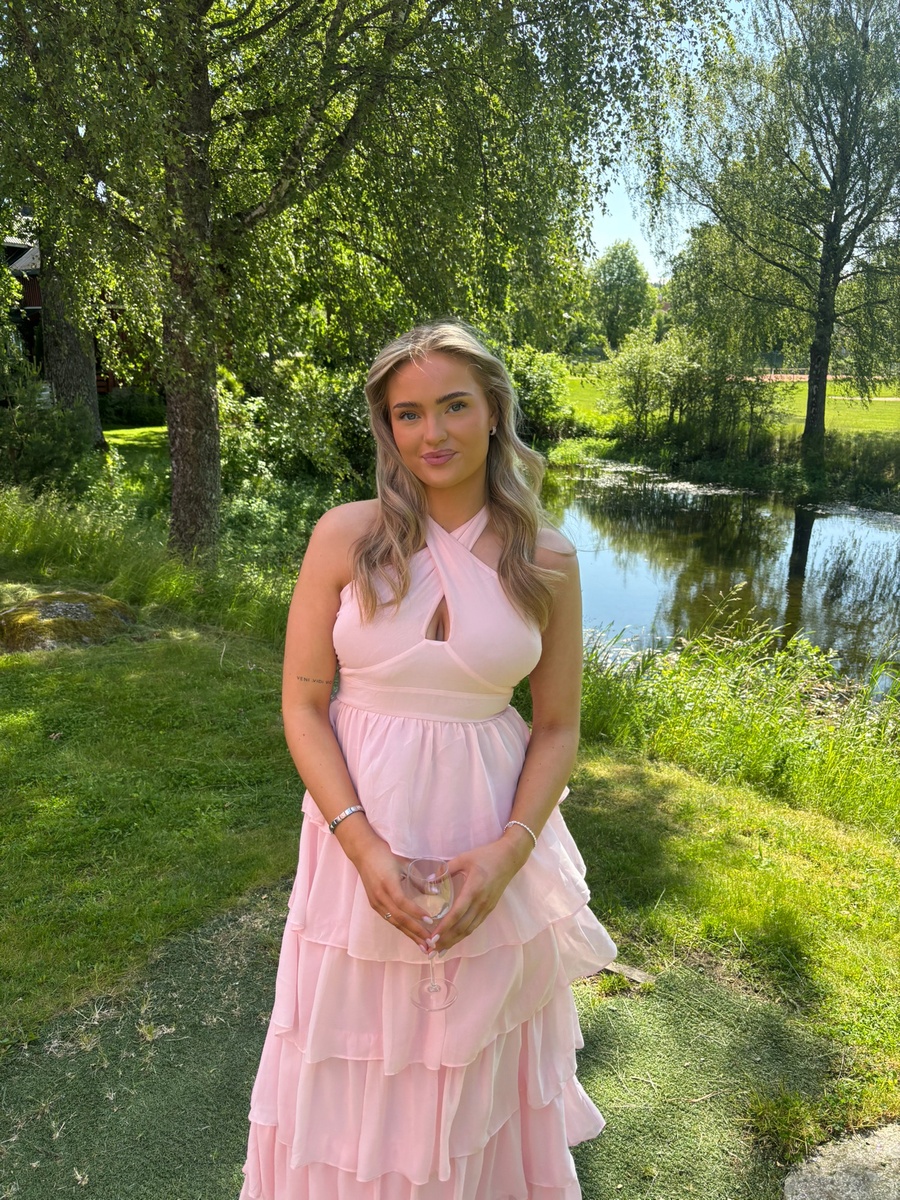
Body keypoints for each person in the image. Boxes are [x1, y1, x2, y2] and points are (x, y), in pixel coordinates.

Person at [239, 321, 617, 1200]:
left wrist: (510, 852)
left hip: (489, 832)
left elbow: (557, 727)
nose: (432, 433)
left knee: (471, 1063)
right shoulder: (346, 536)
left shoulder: (548, 558)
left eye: (454, 406)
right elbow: (303, 705)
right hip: (356, 829)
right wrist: (363, 847)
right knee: (352, 1047)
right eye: (407, 414)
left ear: (495, 411)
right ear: (387, 427)